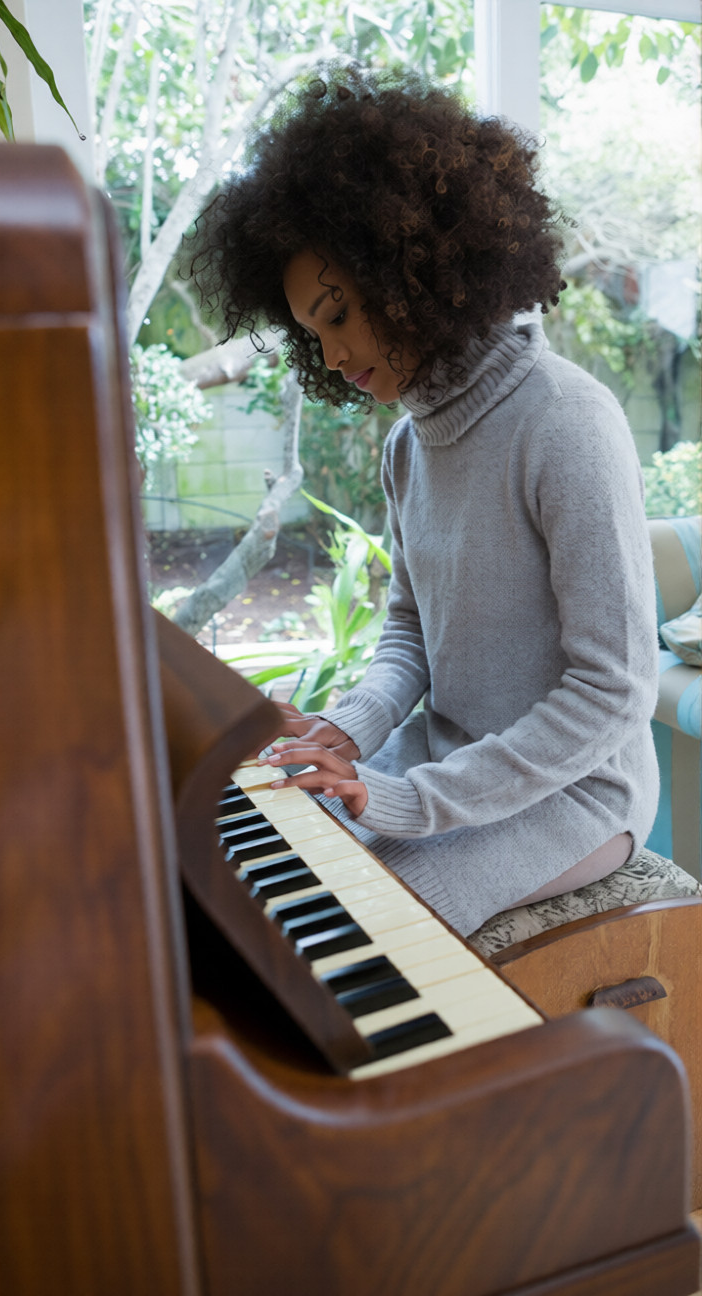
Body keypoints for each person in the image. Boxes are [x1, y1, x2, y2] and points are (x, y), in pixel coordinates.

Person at [186, 65, 659, 939]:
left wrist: (408, 801)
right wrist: (350, 733)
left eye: (339, 314)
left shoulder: (567, 422)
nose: (329, 357)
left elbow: (614, 693)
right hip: (448, 760)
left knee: (353, 932)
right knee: (265, 867)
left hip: (578, 794)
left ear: (413, 268)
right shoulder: (410, 440)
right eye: (311, 332)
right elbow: (410, 627)